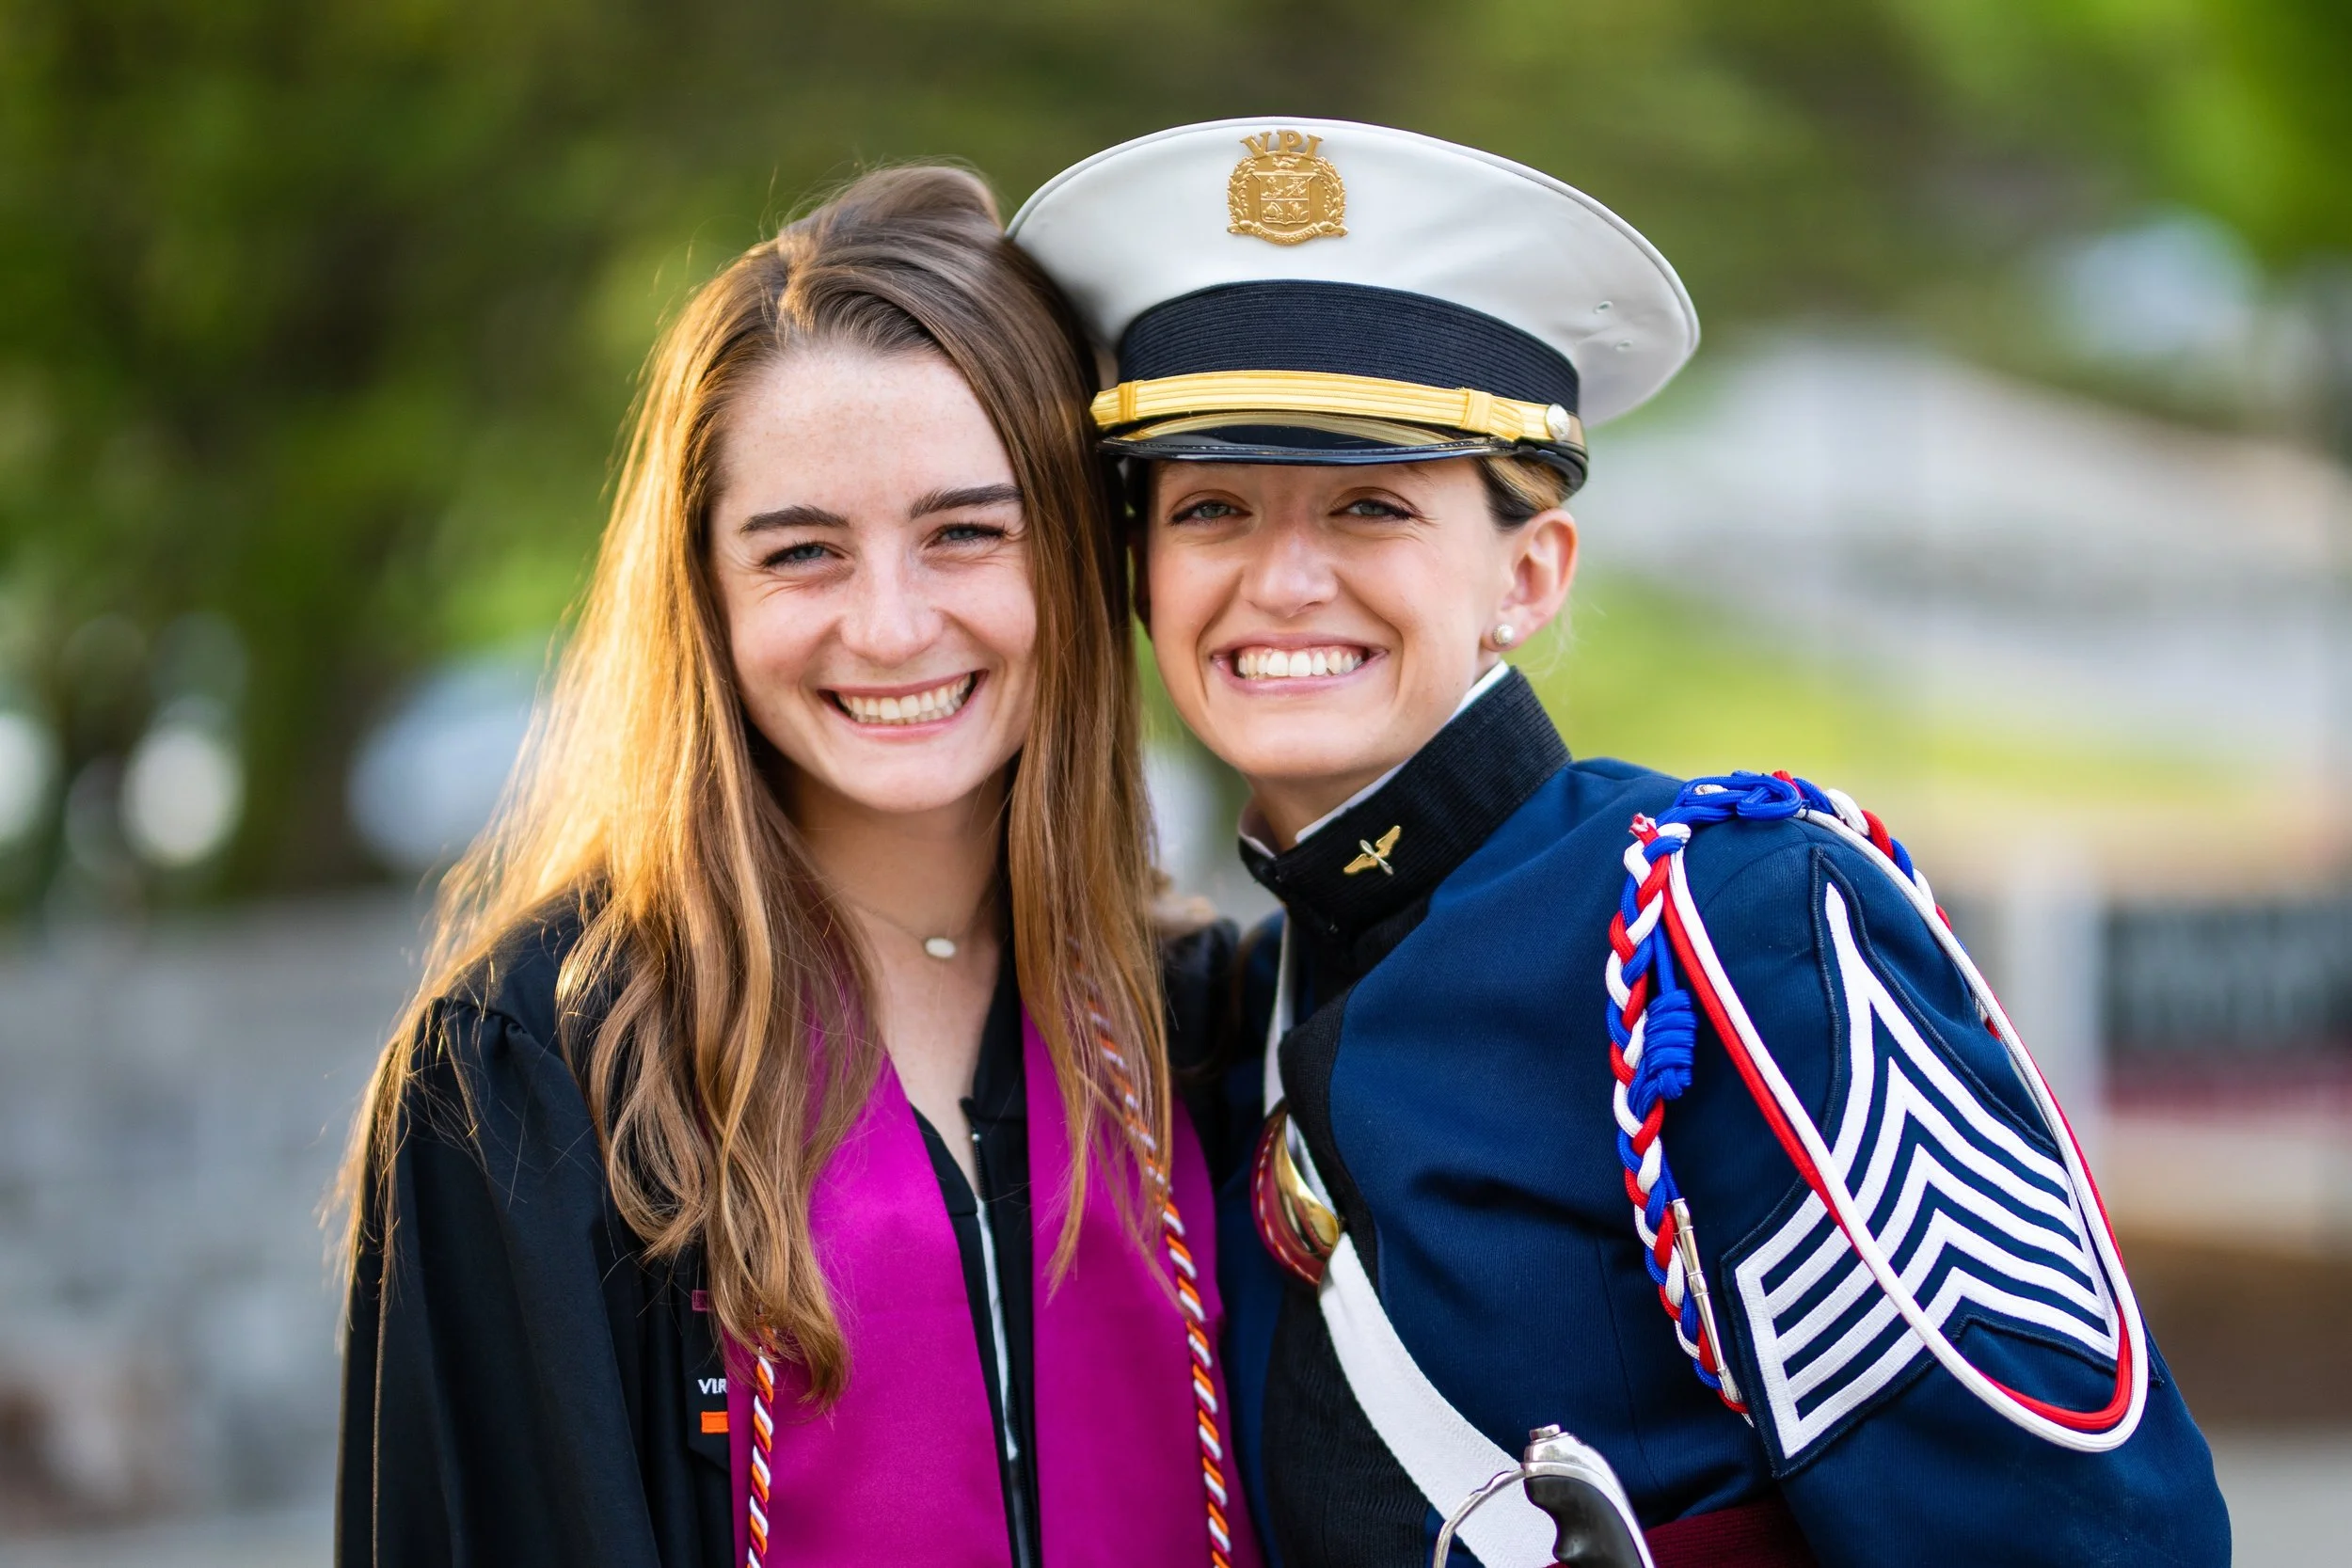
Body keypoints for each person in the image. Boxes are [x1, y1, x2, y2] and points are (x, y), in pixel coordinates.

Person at [1010, 119, 2231, 1567]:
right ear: (1144, 572)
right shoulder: (1223, 1020)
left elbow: (2077, 1535)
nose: (1282, 577)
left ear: (1528, 573)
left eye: (1371, 507)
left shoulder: (1724, 923)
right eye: (1212, 507)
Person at [336, 166, 1261, 1568]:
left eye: (965, 530)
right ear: (705, 591)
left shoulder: (1198, 1027)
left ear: (1075, 557)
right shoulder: (541, 1080)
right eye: (803, 553)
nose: (889, 627)